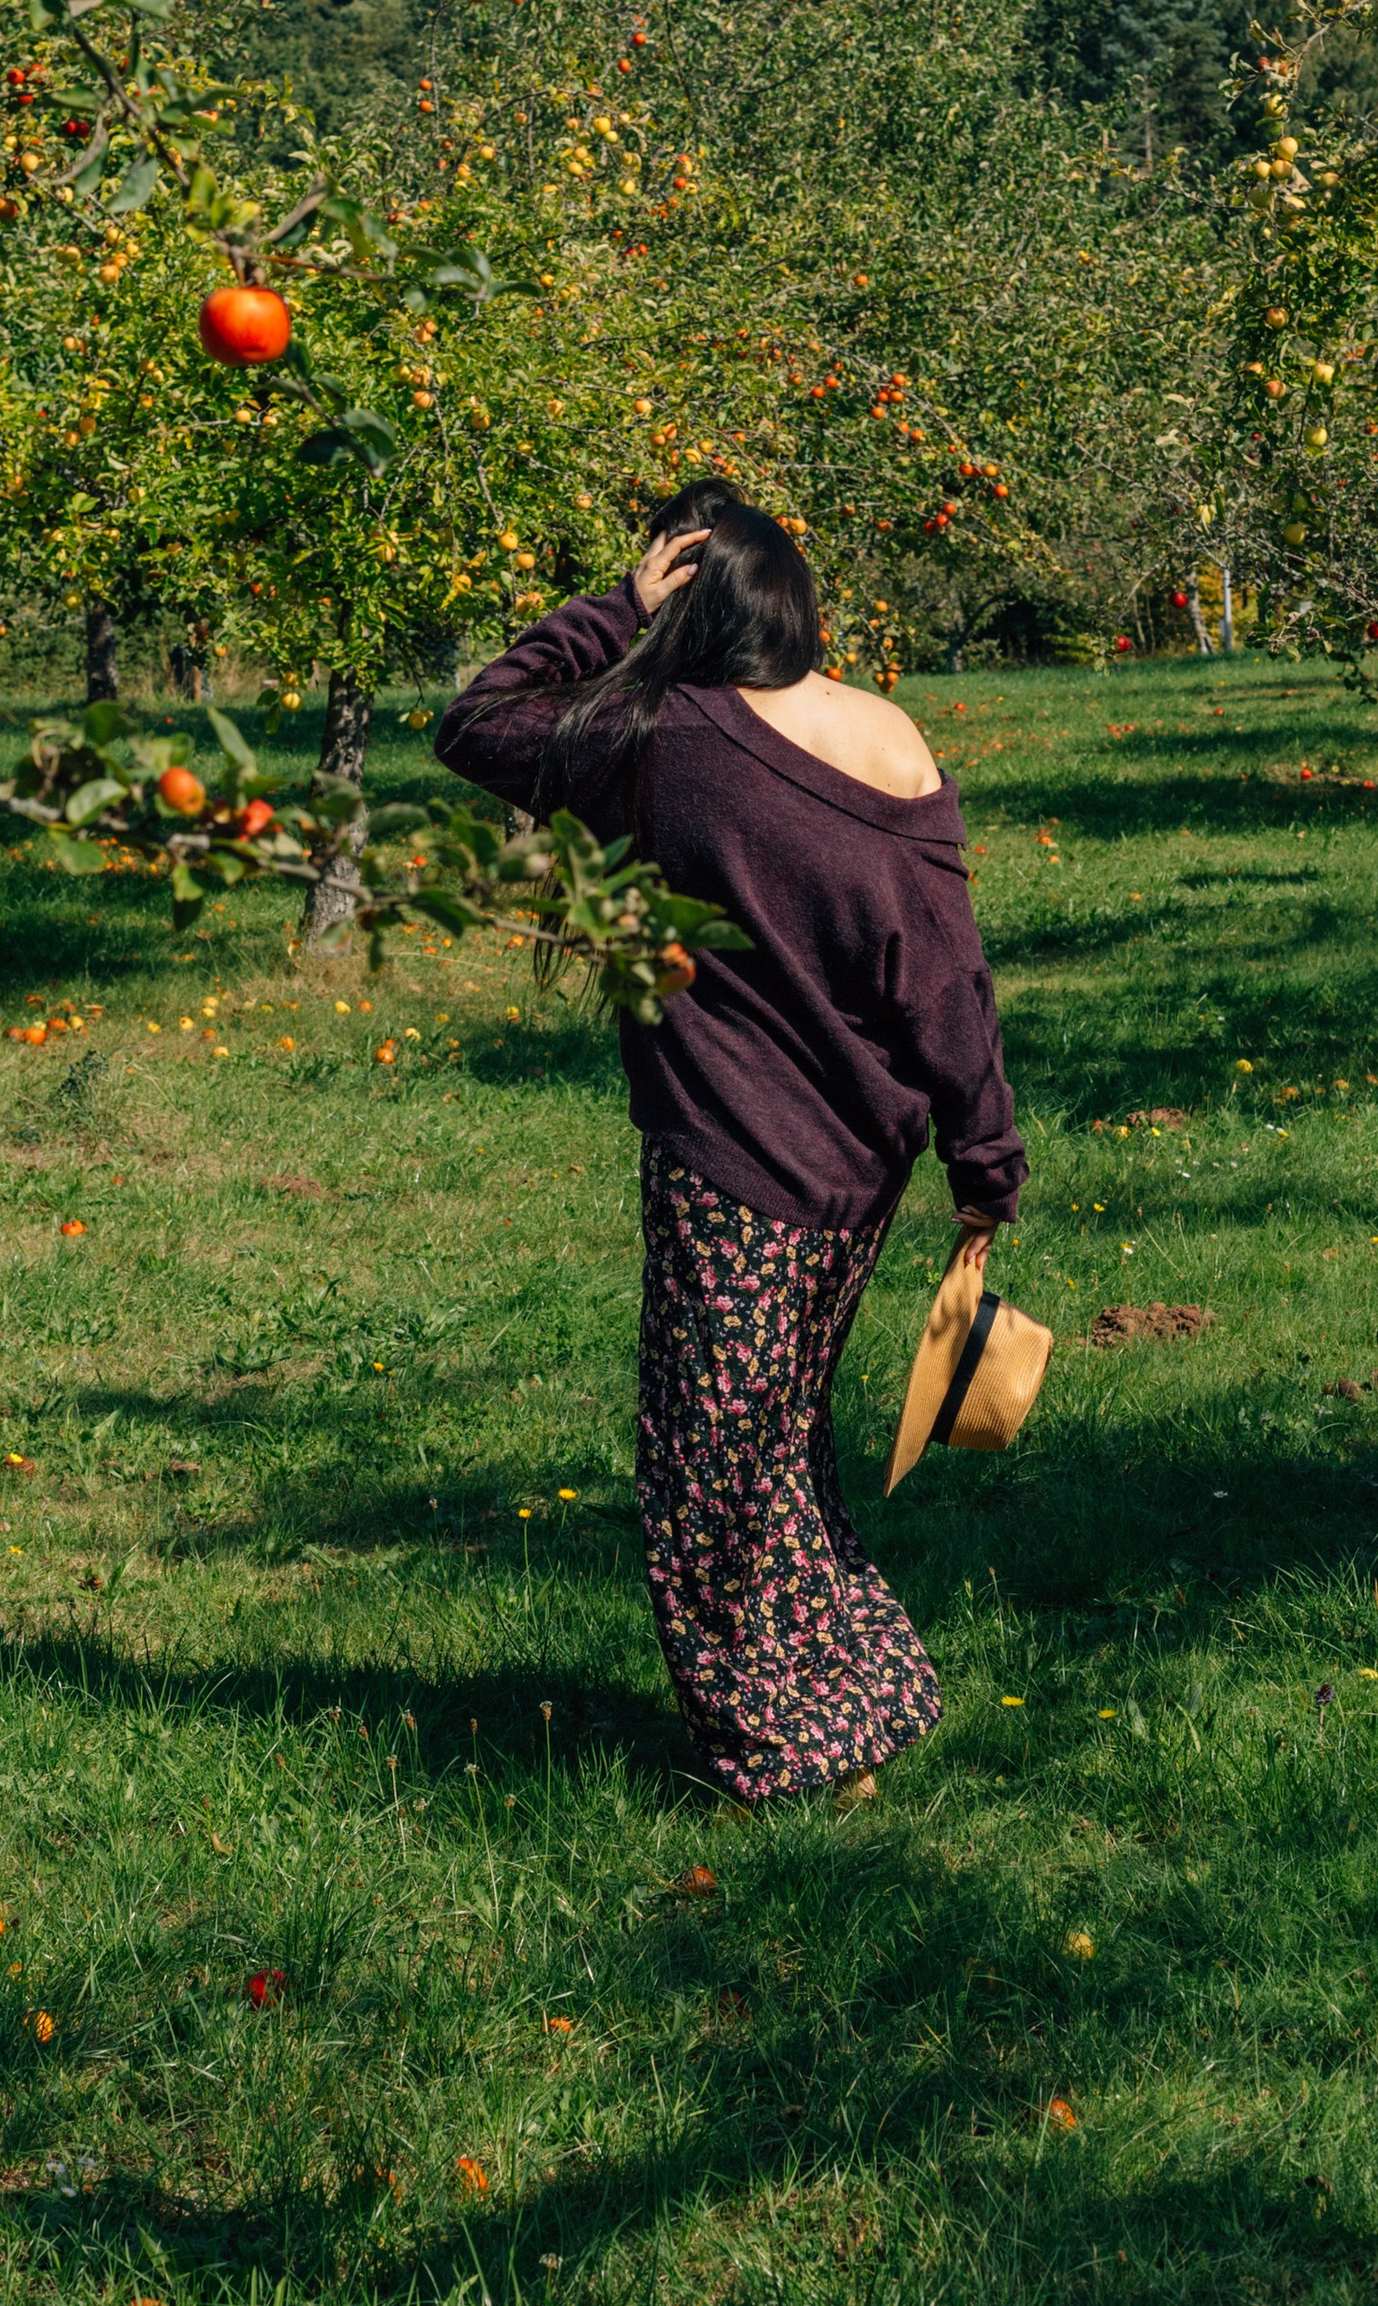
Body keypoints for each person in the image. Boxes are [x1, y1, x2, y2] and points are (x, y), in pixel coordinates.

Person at [436, 497, 1024, 1805]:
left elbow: (475, 725)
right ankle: (860, 1709)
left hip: (735, 1168)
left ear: (689, 602)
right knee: (774, 1444)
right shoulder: (890, 734)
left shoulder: (665, 739)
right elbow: (946, 986)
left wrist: (614, 614)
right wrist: (986, 1165)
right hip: (863, 1167)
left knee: (710, 1477)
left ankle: (783, 1749)